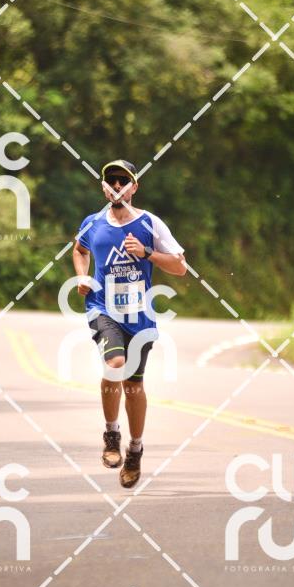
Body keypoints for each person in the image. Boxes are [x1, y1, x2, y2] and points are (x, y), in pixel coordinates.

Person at [72, 159, 186, 488]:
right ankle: (111, 435)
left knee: (134, 387)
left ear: (135, 187)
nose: (118, 185)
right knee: (115, 364)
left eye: (124, 180)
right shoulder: (93, 223)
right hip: (102, 308)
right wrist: (82, 277)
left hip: (139, 316)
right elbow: (79, 250)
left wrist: (147, 253)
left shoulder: (150, 223)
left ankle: (135, 450)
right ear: (104, 186)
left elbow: (180, 267)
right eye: (112, 180)